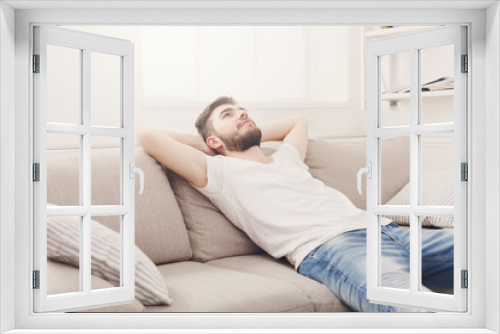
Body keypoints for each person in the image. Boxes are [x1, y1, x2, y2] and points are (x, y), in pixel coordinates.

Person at [137, 96, 454, 312]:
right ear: (212, 141)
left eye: (242, 110)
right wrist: (212, 146)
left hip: (388, 230)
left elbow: (297, 121)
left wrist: (240, 133)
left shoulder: (286, 157)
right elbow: (148, 135)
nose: (241, 114)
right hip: (336, 246)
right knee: (414, 308)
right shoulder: (217, 172)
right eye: (228, 115)